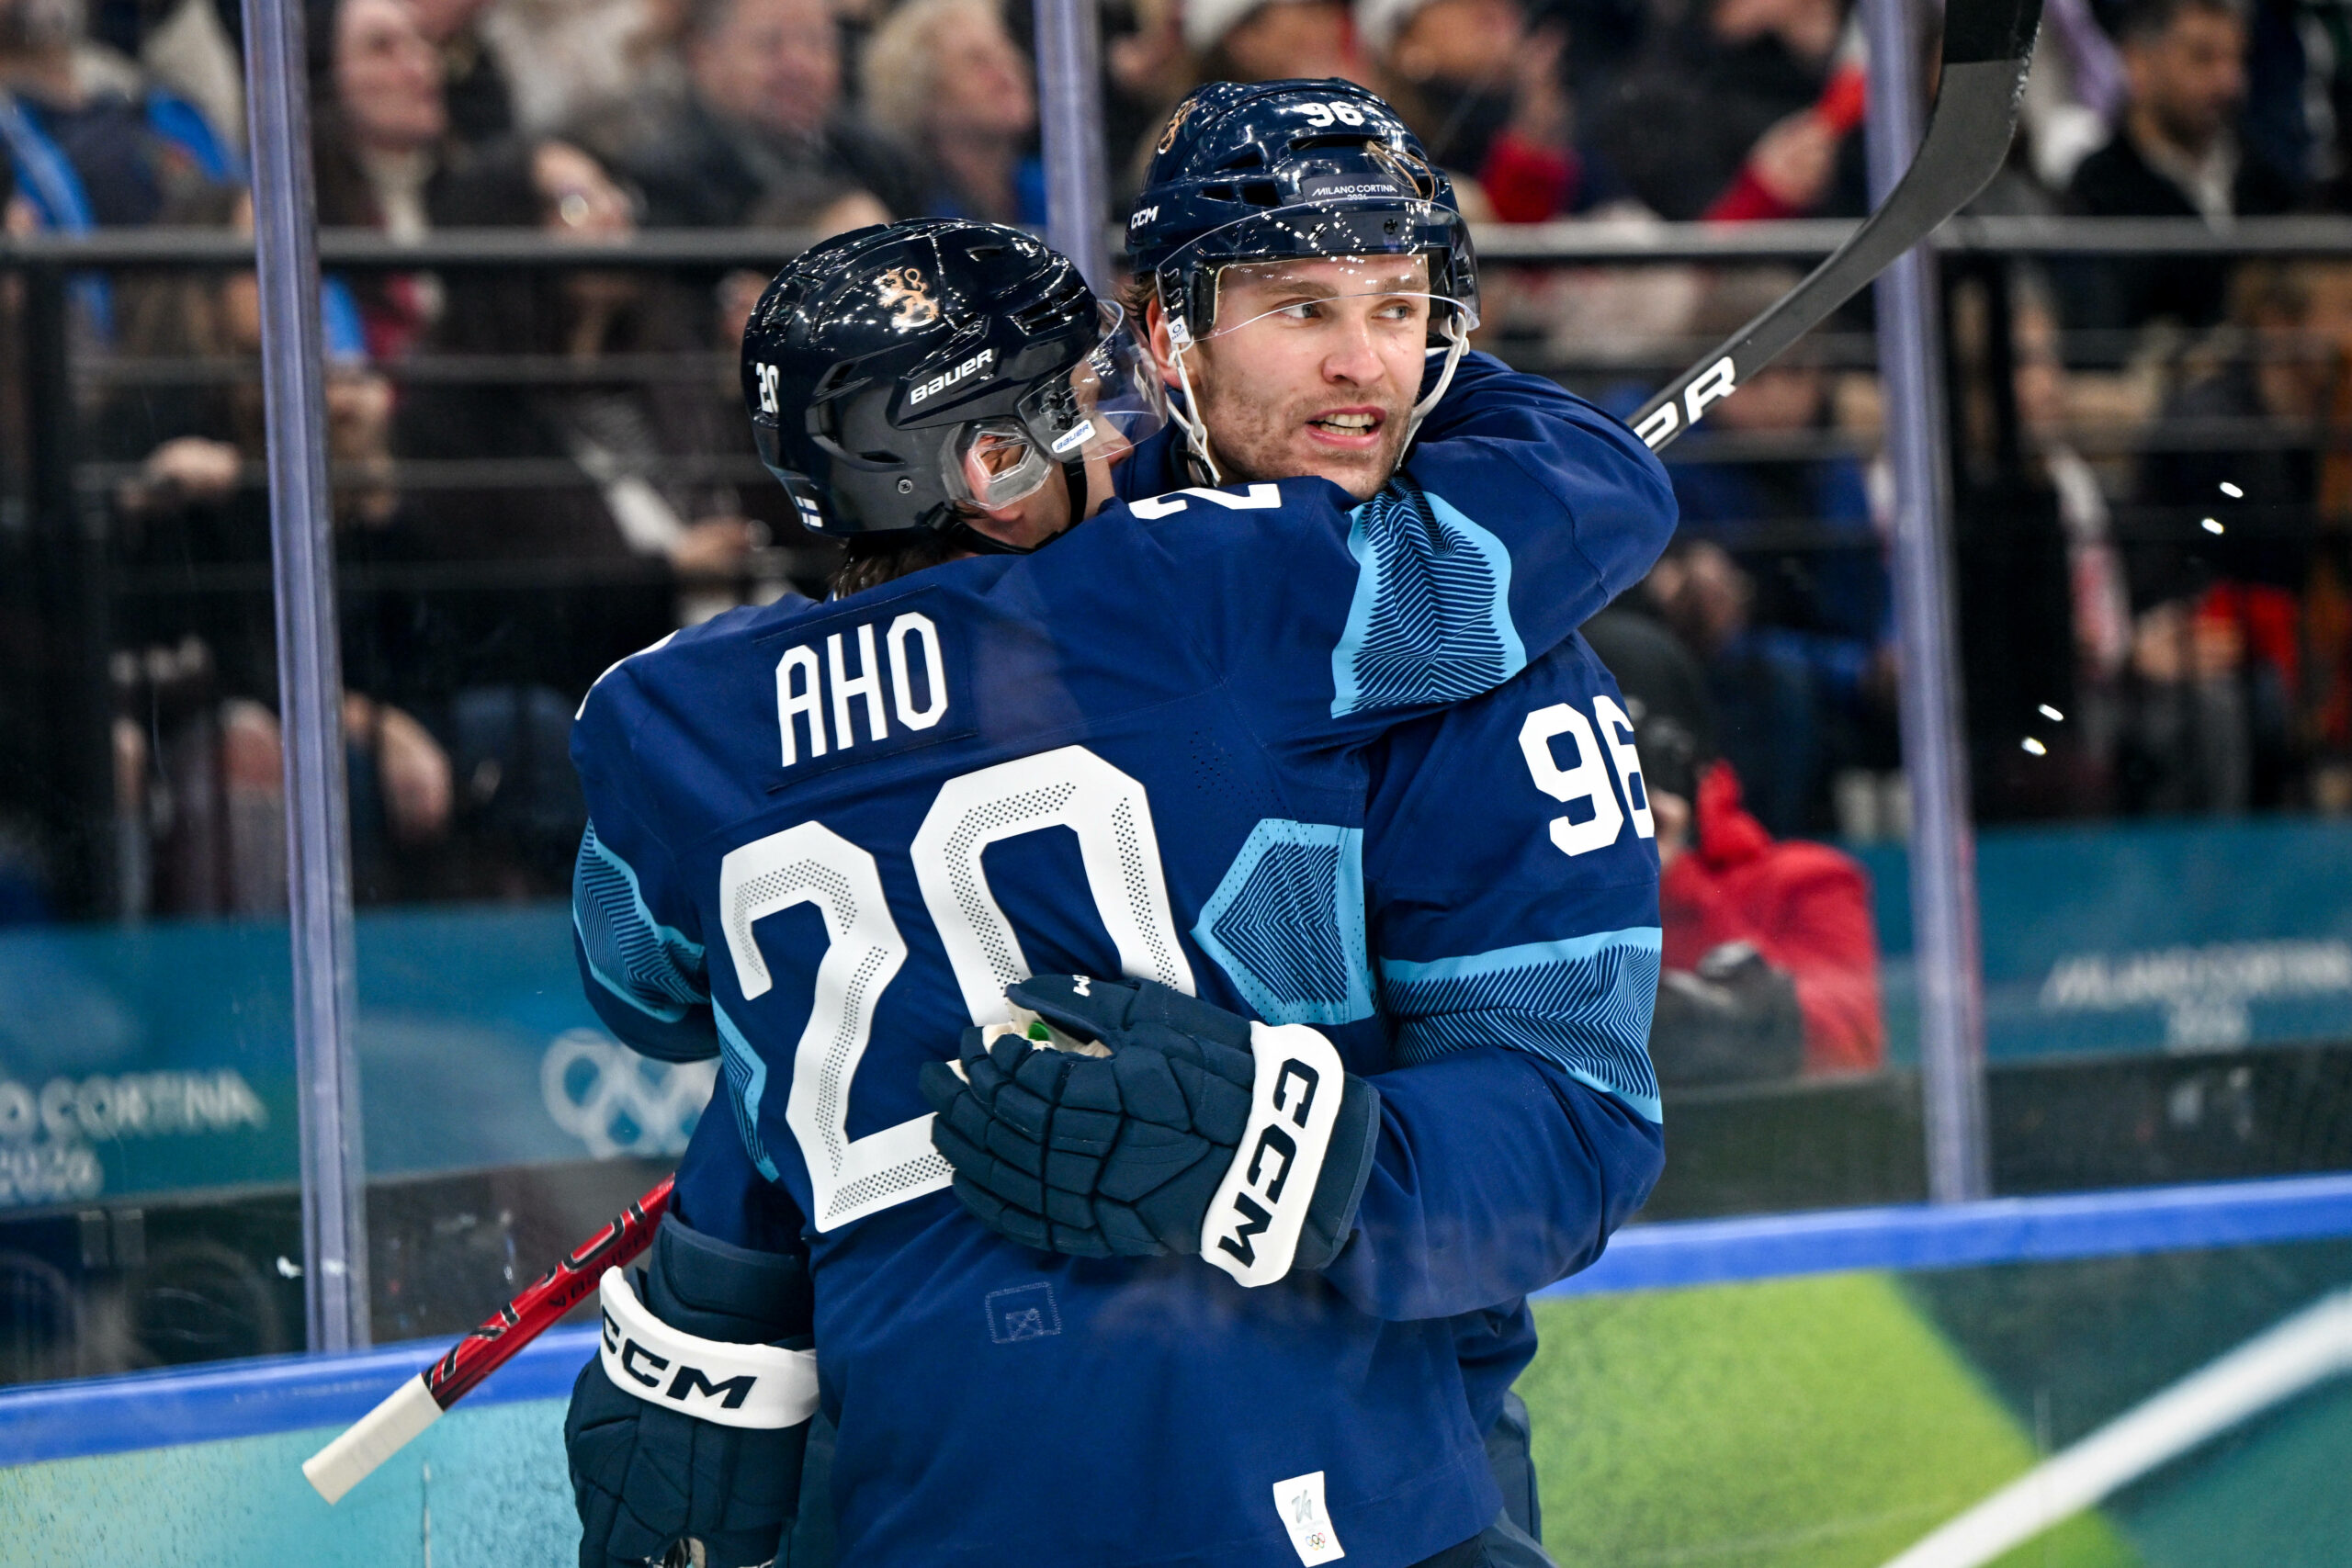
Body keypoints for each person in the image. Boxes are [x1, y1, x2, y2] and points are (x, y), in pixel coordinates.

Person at [561, 199, 1673, 1567]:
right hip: (1274, 1447)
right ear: (992, 462)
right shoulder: (1200, 586)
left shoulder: (670, 719)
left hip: (923, 1468)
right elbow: (1579, 505)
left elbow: (647, 993)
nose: (1121, 439)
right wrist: (1415, 364)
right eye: (1082, 409)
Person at [2064, 0, 2300, 332]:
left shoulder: (2269, 181)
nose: (2229, 82)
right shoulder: (2096, 194)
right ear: (2138, 62)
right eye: (2202, 58)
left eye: (2238, 59)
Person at [599, 0, 920, 229]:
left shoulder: (883, 164)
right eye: (769, 44)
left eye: (816, 42)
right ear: (703, 56)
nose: (800, 65)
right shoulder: (663, 182)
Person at [858, 0, 1044, 226]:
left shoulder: (1052, 189)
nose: (1008, 72)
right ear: (921, 92)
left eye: (1006, 51)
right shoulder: (906, 213)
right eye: (978, 60)